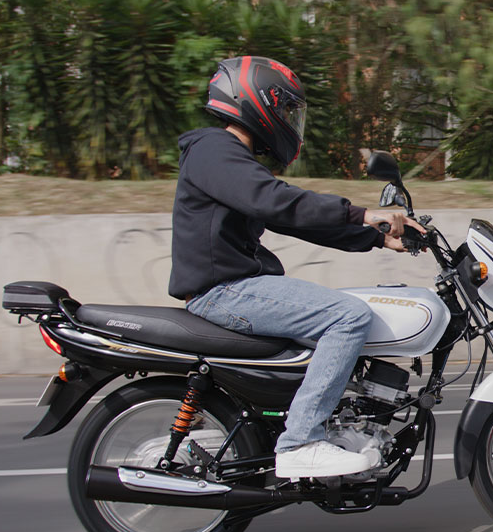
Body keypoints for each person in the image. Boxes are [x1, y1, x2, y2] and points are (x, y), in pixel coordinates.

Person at [168, 56, 424, 479]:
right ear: (253, 99)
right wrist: (362, 214)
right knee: (347, 316)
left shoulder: (231, 159)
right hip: (225, 289)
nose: (289, 120)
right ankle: (302, 441)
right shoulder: (213, 149)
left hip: (237, 285)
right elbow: (274, 200)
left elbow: (290, 217)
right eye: (285, 109)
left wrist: (378, 237)